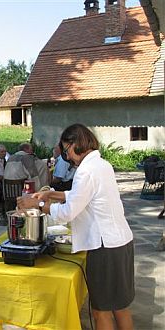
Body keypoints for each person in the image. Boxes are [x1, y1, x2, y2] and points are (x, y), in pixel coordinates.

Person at [17, 124, 134, 330]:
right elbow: (83, 196)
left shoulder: (86, 171)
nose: (68, 157)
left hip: (105, 246)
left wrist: (39, 204)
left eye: (67, 150)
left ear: (76, 144)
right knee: (120, 306)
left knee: (101, 310)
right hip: (120, 242)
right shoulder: (101, 165)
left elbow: (68, 212)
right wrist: (51, 194)